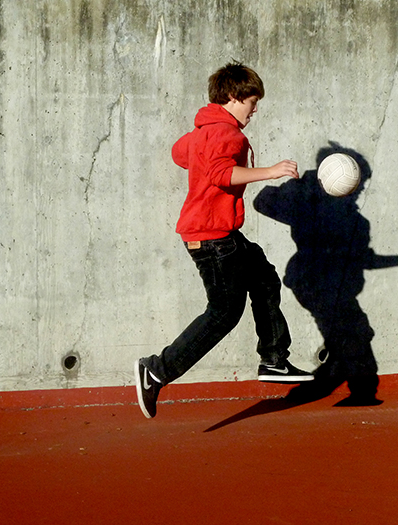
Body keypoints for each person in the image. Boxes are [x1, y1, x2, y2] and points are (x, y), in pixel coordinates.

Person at [134, 63, 313, 419]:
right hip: (213, 239)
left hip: (219, 233)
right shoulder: (228, 134)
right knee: (223, 314)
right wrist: (271, 171)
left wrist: (205, 153)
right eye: (251, 101)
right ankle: (156, 371)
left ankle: (274, 360)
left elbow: (179, 153)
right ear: (233, 96)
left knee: (264, 278)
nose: (254, 109)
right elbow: (221, 174)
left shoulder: (205, 130)